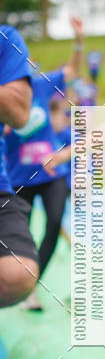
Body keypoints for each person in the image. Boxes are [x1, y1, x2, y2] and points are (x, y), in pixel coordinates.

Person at [5, 56, 71, 310]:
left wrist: (77, 43)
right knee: (24, 234)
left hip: (52, 173)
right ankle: (21, 280)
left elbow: (71, 70)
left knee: (54, 223)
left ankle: (33, 284)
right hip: (20, 178)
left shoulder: (41, 86)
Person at [0, 25, 37, 306]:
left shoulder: (7, 39)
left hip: (46, 172)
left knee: (19, 272)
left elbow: (19, 113)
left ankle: (34, 293)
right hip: (21, 171)